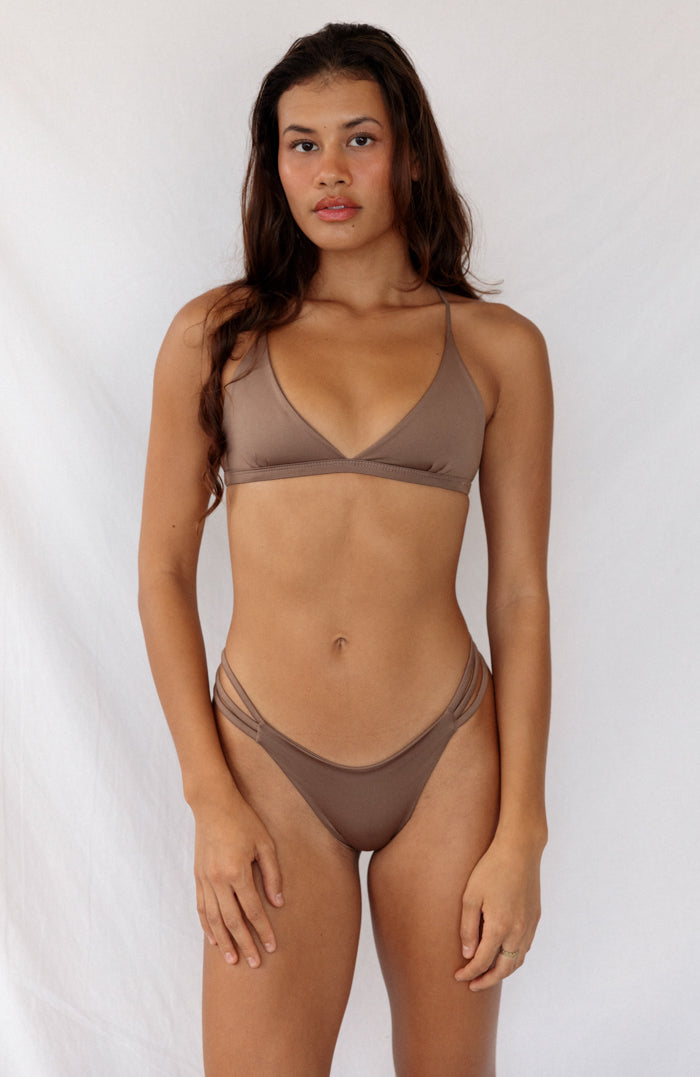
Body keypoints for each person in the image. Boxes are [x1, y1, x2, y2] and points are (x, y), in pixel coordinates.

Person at [138, 21, 552, 1077]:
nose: (329, 170)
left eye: (359, 139)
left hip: (447, 760)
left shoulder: (499, 348)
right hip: (266, 762)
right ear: (273, 164)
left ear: (408, 152)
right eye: (302, 143)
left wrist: (522, 832)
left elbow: (519, 596)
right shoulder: (215, 336)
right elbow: (162, 576)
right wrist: (209, 796)